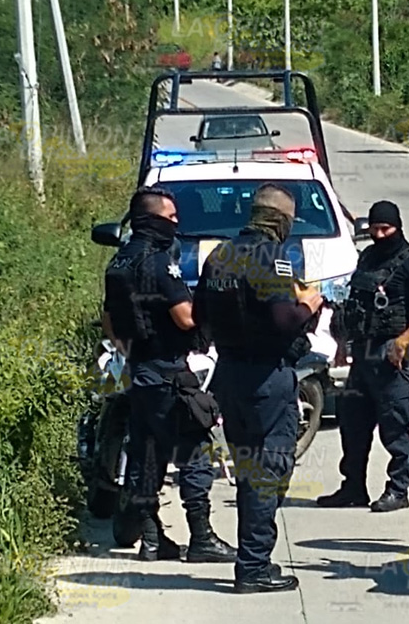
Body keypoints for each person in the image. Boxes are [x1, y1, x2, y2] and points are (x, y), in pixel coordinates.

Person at [193, 183, 324, 593]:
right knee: (268, 472)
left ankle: (253, 559)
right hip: (268, 377)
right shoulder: (273, 258)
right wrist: (310, 306)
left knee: (251, 472)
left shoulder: (219, 255)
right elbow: (286, 321)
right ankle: (253, 567)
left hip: (230, 375)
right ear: (282, 222)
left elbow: (199, 314)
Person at [102, 186, 237, 562]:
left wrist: (130, 350)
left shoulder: (119, 263)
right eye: (171, 218)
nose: (177, 224)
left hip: (139, 372)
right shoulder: (160, 262)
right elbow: (185, 317)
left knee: (147, 457)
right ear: (152, 220)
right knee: (194, 453)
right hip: (168, 372)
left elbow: (109, 319)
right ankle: (202, 540)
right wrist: (209, 303)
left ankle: (151, 539)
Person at [316, 201, 409, 512]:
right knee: (353, 425)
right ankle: (353, 487)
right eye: (375, 228)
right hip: (362, 354)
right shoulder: (367, 257)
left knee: (395, 428)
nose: (380, 234)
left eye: (386, 229)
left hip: (391, 355)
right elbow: (352, 301)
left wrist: (404, 340)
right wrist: (343, 342)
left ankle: (398, 489)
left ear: (398, 227)